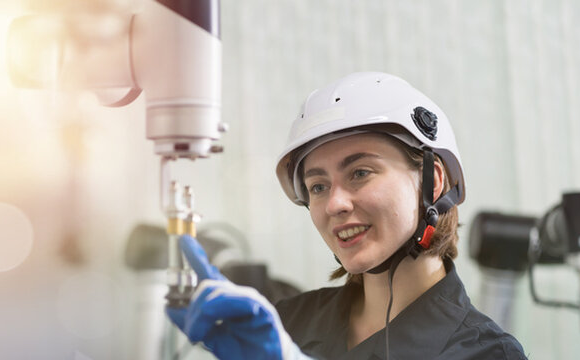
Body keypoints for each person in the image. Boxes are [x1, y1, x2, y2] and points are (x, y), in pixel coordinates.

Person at [167, 72, 527, 359]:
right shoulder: (285, 323)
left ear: (432, 183)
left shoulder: (487, 353)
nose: (335, 204)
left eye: (360, 173)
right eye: (318, 186)